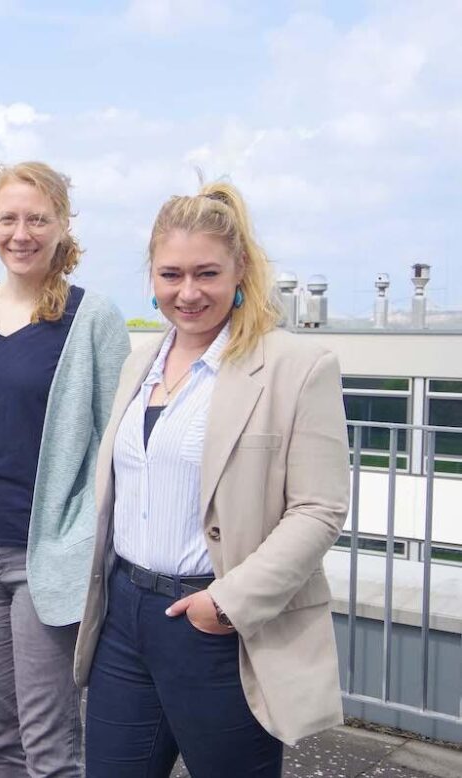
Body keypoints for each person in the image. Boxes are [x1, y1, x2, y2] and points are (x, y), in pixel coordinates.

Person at [73, 181, 350, 777]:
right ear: (151, 275)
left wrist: (225, 605)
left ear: (240, 270)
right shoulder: (138, 362)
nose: (188, 292)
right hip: (124, 619)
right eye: (171, 274)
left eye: (207, 273)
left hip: (217, 625)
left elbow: (320, 509)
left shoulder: (294, 368)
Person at [0, 161, 130, 777]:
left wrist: (84, 539)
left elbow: (116, 441)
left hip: (46, 556)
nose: (21, 233)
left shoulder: (92, 317)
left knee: (49, 743)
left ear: (62, 225)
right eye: (8, 218)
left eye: (37, 219)